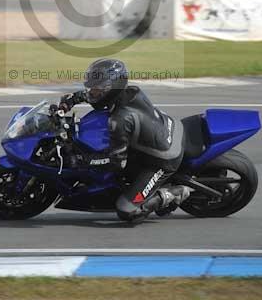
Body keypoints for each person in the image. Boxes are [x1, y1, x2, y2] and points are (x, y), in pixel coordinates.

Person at [58, 58, 192, 223]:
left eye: (96, 89)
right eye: (91, 88)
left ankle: (173, 193)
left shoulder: (120, 120)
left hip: (165, 159)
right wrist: (69, 102)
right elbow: (93, 96)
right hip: (166, 131)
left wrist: (83, 160)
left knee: (126, 210)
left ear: (110, 89)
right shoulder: (130, 92)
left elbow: (116, 163)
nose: (91, 92)